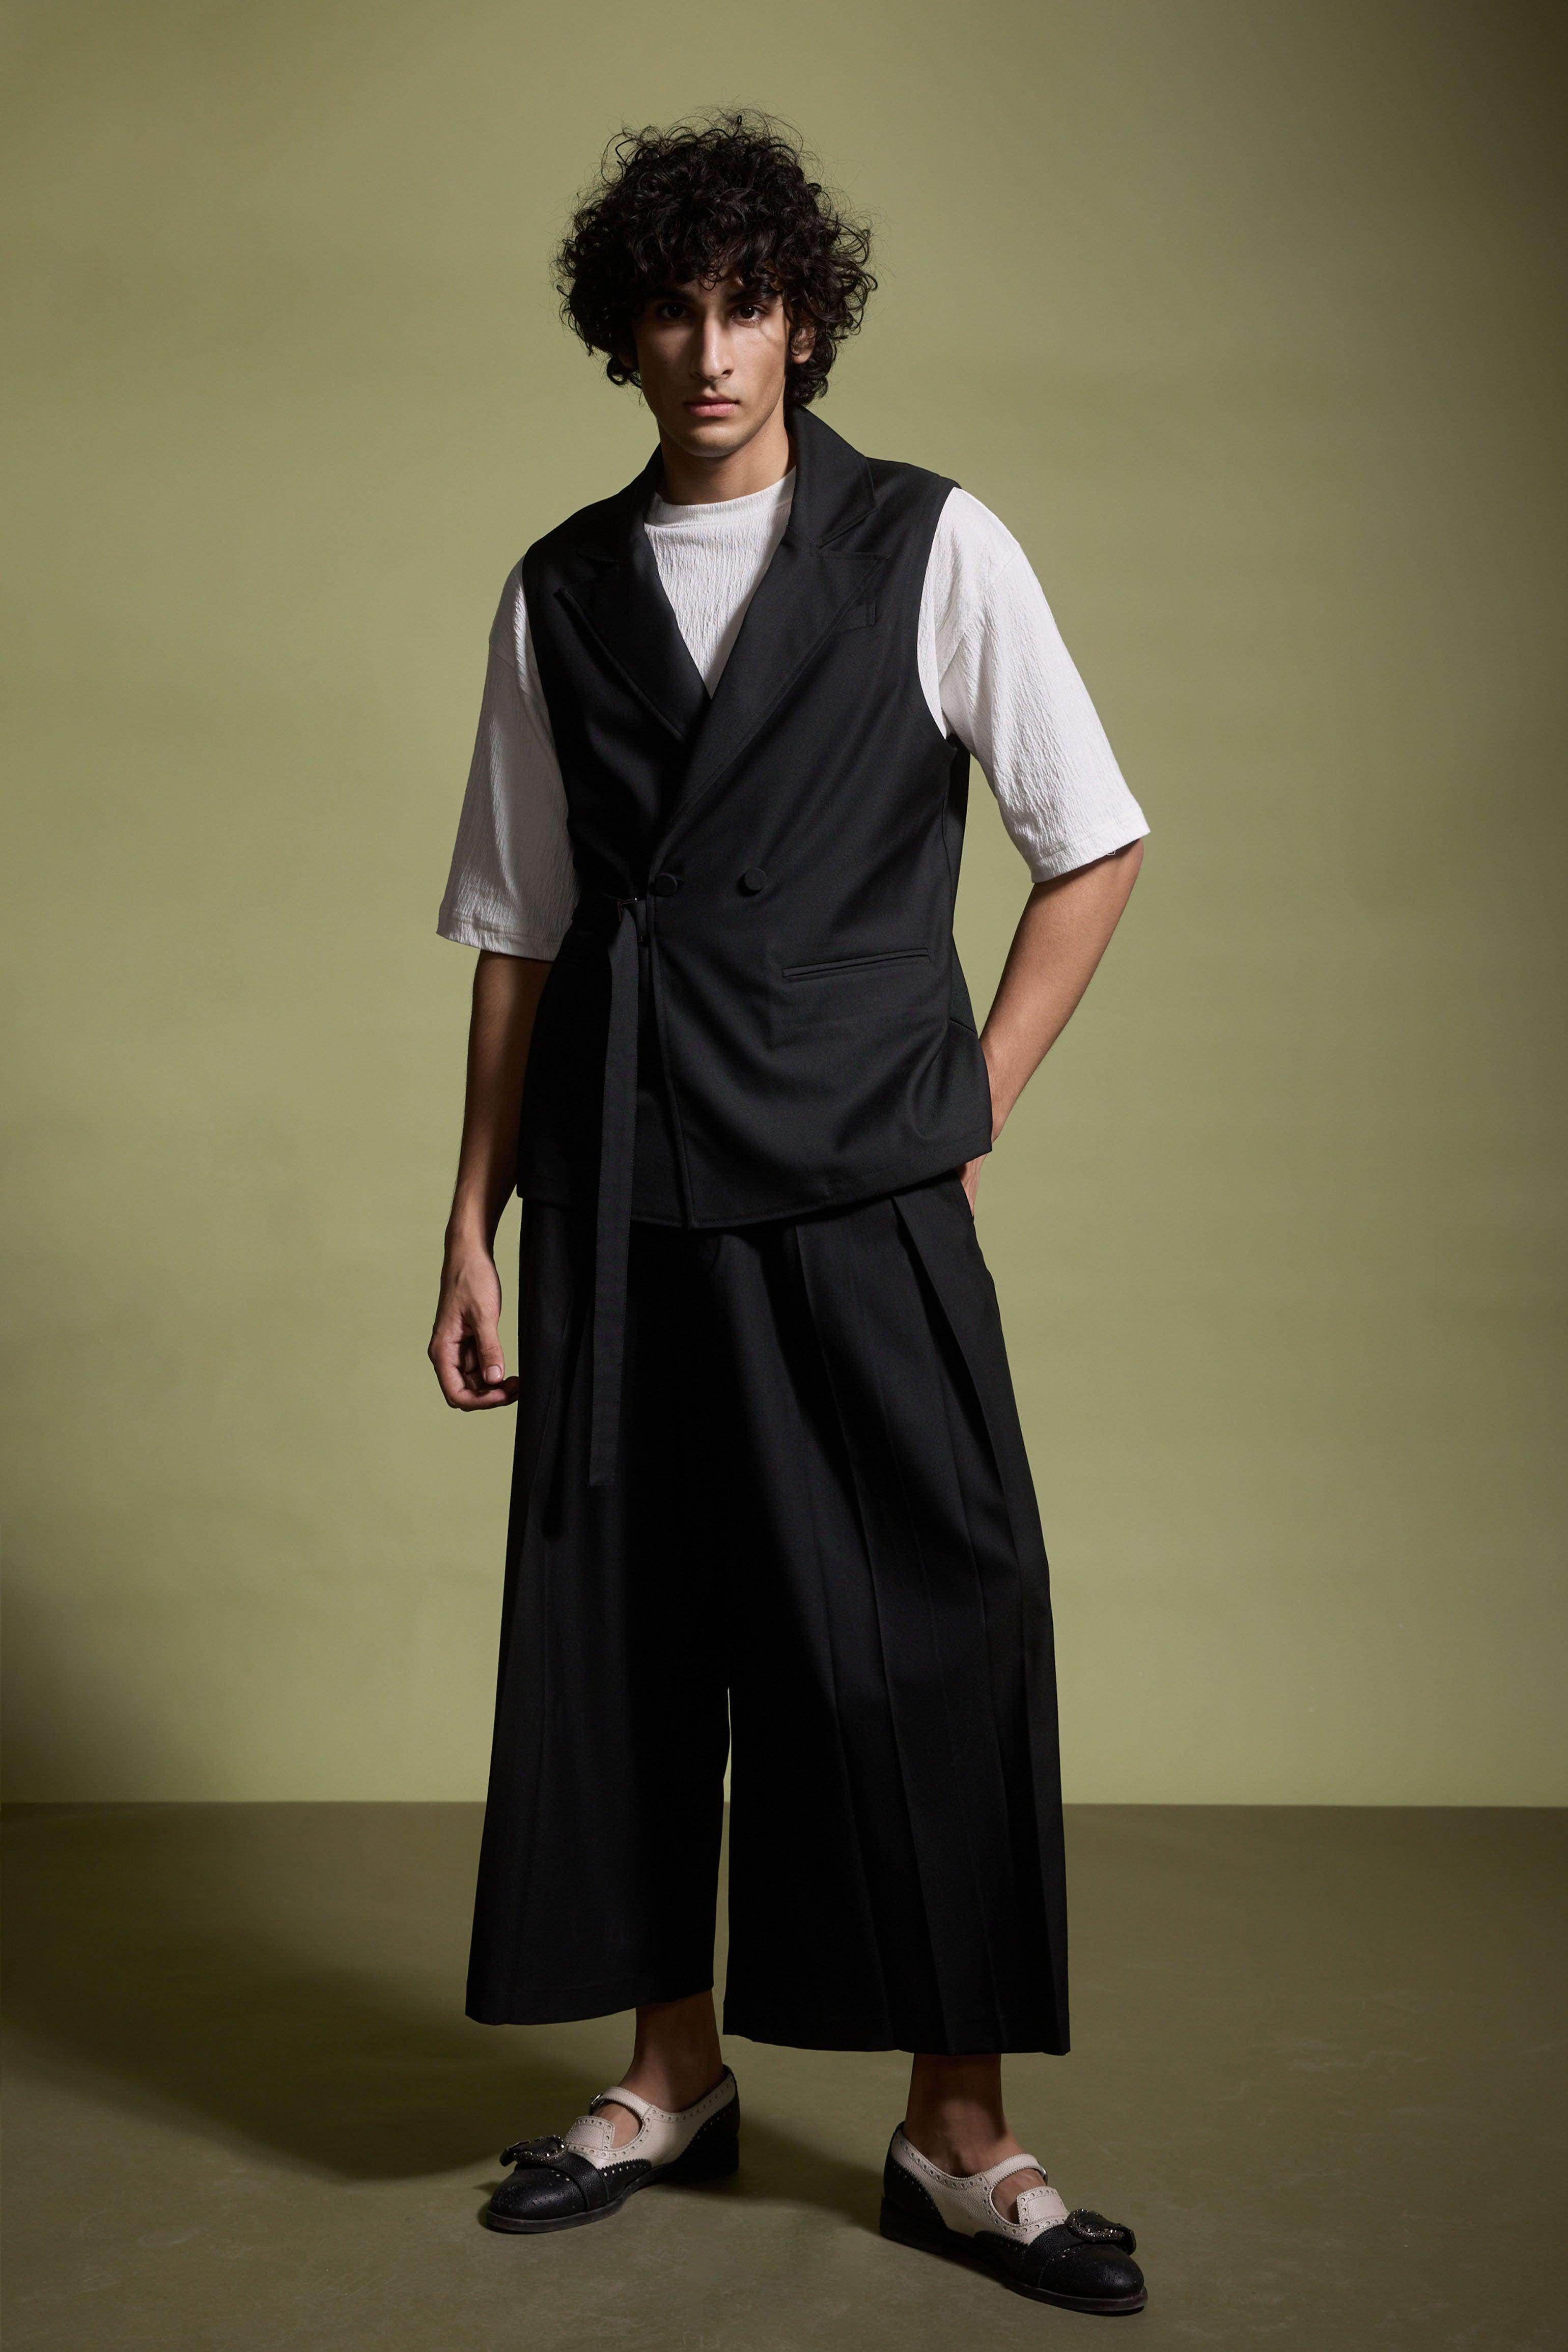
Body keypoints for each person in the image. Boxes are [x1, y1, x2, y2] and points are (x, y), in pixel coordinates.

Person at [430, 112, 1150, 2317]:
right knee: (640, 1633)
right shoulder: (559, 589)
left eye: (749, 306)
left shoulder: (930, 545)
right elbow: (519, 931)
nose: (714, 349)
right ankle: (669, 2076)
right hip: (624, 1178)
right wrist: (467, 1221)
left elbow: (1091, 840)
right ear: (624, 338)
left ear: (805, 322)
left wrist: (969, 1097)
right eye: (674, 311)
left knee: (936, 1621)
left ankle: (958, 2128)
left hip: (857, 1175)